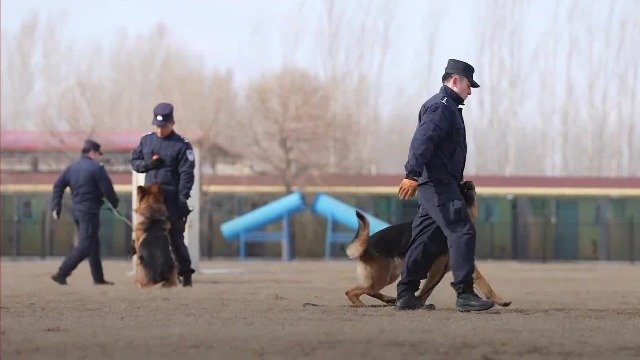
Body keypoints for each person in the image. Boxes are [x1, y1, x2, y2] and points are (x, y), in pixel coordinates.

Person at [395, 59, 495, 312]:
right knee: (462, 231)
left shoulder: (446, 107)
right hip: (438, 184)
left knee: (424, 237)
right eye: (469, 85)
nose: (470, 91)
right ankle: (464, 294)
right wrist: (412, 174)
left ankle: (406, 295)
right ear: (455, 80)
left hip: (437, 183)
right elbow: (423, 140)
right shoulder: (441, 108)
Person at [131, 102, 196, 287]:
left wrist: (183, 197)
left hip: (171, 199)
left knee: (175, 238)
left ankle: (185, 273)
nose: (159, 131)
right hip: (149, 200)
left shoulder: (182, 145)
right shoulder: (146, 141)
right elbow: (135, 161)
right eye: (157, 126)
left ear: (172, 123)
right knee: (145, 237)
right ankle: (151, 274)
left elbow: (187, 173)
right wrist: (147, 166)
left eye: (164, 127)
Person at [50, 139, 119, 285]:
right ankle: (62, 273)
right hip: (90, 211)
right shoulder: (97, 168)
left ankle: (98, 278)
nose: (99, 157)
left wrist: (56, 206)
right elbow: (108, 190)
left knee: (93, 243)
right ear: (92, 153)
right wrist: (115, 203)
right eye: (98, 154)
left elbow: (58, 186)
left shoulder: (71, 168)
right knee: (86, 244)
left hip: (76, 211)